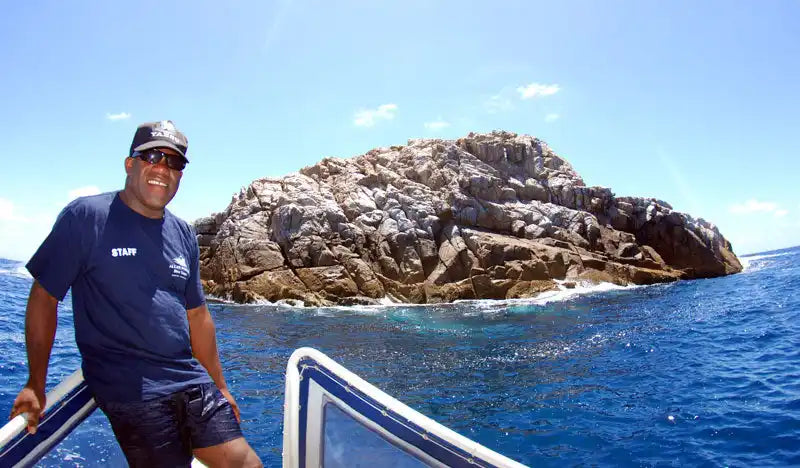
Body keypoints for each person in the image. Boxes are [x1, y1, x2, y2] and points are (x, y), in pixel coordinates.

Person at [9, 121, 262, 467]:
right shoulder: (86, 217)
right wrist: (35, 383)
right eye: (153, 157)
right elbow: (44, 296)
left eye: (174, 163)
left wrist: (220, 386)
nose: (163, 169)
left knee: (245, 463)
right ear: (130, 164)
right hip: (131, 388)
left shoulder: (183, 233)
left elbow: (198, 315)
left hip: (188, 377)